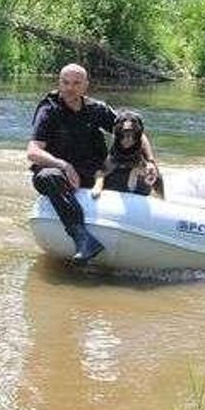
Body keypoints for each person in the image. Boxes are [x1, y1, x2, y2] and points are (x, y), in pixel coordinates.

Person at [27, 63, 158, 263]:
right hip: (62, 176)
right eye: (65, 82)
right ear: (59, 83)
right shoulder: (49, 110)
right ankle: (82, 239)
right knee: (47, 176)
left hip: (94, 174)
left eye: (76, 83)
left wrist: (149, 162)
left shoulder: (97, 109)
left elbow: (136, 134)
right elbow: (33, 151)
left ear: (86, 85)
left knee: (142, 182)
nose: (70, 88)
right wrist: (63, 165)